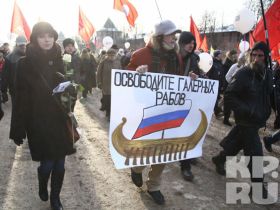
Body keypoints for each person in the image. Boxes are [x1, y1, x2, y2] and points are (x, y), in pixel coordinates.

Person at [10, 22, 76, 210]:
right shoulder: (24, 63)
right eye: (42, 36)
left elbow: (70, 94)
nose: (46, 39)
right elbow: (20, 97)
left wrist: (71, 93)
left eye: (50, 35)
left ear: (55, 38)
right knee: (47, 164)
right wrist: (17, 128)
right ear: (35, 39)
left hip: (59, 119)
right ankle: (42, 180)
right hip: (37, 121)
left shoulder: (62, 60)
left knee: (60, 165)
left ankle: (55, 199)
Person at [126, 19, 181, 205]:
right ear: (159, 37)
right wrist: (137, 74)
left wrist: (191, 81)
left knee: (164, 152)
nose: (174, 38)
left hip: (168, 112)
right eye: (170, 34)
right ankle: (137, 168)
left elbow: (179, 84)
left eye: (175, 35)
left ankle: (154, 186)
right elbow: (125, 85)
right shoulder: (140, 55)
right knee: (146, 148)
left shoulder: (177, 57)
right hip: (146, 111)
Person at [212, 42, 273, 199]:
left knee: (237, 143)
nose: (256, 58)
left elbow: (269, 95)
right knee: (255, 153)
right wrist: (245, 111)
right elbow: (230, 94)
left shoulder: (267, 74)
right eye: (254, 55)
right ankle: (258, 187)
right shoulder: (244, 73)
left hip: (257, 119)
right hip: (246, 120)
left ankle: (219, 159)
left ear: (266, 58)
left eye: (260, 56)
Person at [177, 31, 204, 182]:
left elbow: (198, 75)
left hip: (187, 100)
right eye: (189, 42)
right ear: (181, 42)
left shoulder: (194, 58)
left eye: (193, 43)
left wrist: (196, 77)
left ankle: (185, 165)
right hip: (171, 100)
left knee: (187, 130)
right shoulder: (172, 56)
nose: (191, 45)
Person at [1, 35, 27, 105]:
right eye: (21, 45)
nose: (23, 46)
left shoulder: (30, 56)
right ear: (16, 44)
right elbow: (5, 76)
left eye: (24, 44)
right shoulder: (9, 58)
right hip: (15, 91)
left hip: (28, 90)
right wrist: (3, 91)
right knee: (17, 112)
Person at [97, 48, 121, 118]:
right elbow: (98, 73)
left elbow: (120, 72)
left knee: (113, 99)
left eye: (113, 55)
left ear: (115, 55)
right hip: (106, 84)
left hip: (115, 84)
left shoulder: (118, 62)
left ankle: (111, 112)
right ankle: (108, 112)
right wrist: (99, 82)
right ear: (107, 55)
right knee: (107, 99)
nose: (112, 57)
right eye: (110, 55)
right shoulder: (103, 62)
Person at [207, 50, 225, 118]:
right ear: (217, 55)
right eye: (220, 54)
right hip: (212, 84)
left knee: (216, 98)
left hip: (219, 84)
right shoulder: (212, 63)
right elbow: (209, 73)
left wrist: (222, 83)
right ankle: (217, 111)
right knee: (214, 98)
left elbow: (222, 74)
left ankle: (217, 111)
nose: (221, 55)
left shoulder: (221, 64)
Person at [222, 49, 238, 126]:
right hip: (228, 84)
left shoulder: (234, 62)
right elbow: (226, 75)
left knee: (229, 102)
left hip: (232, 85)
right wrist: (230, 84)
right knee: (227, 102)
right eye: (235, 54)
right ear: (232, 55)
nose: (236, 56)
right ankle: (225, 118)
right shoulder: (227, 62)